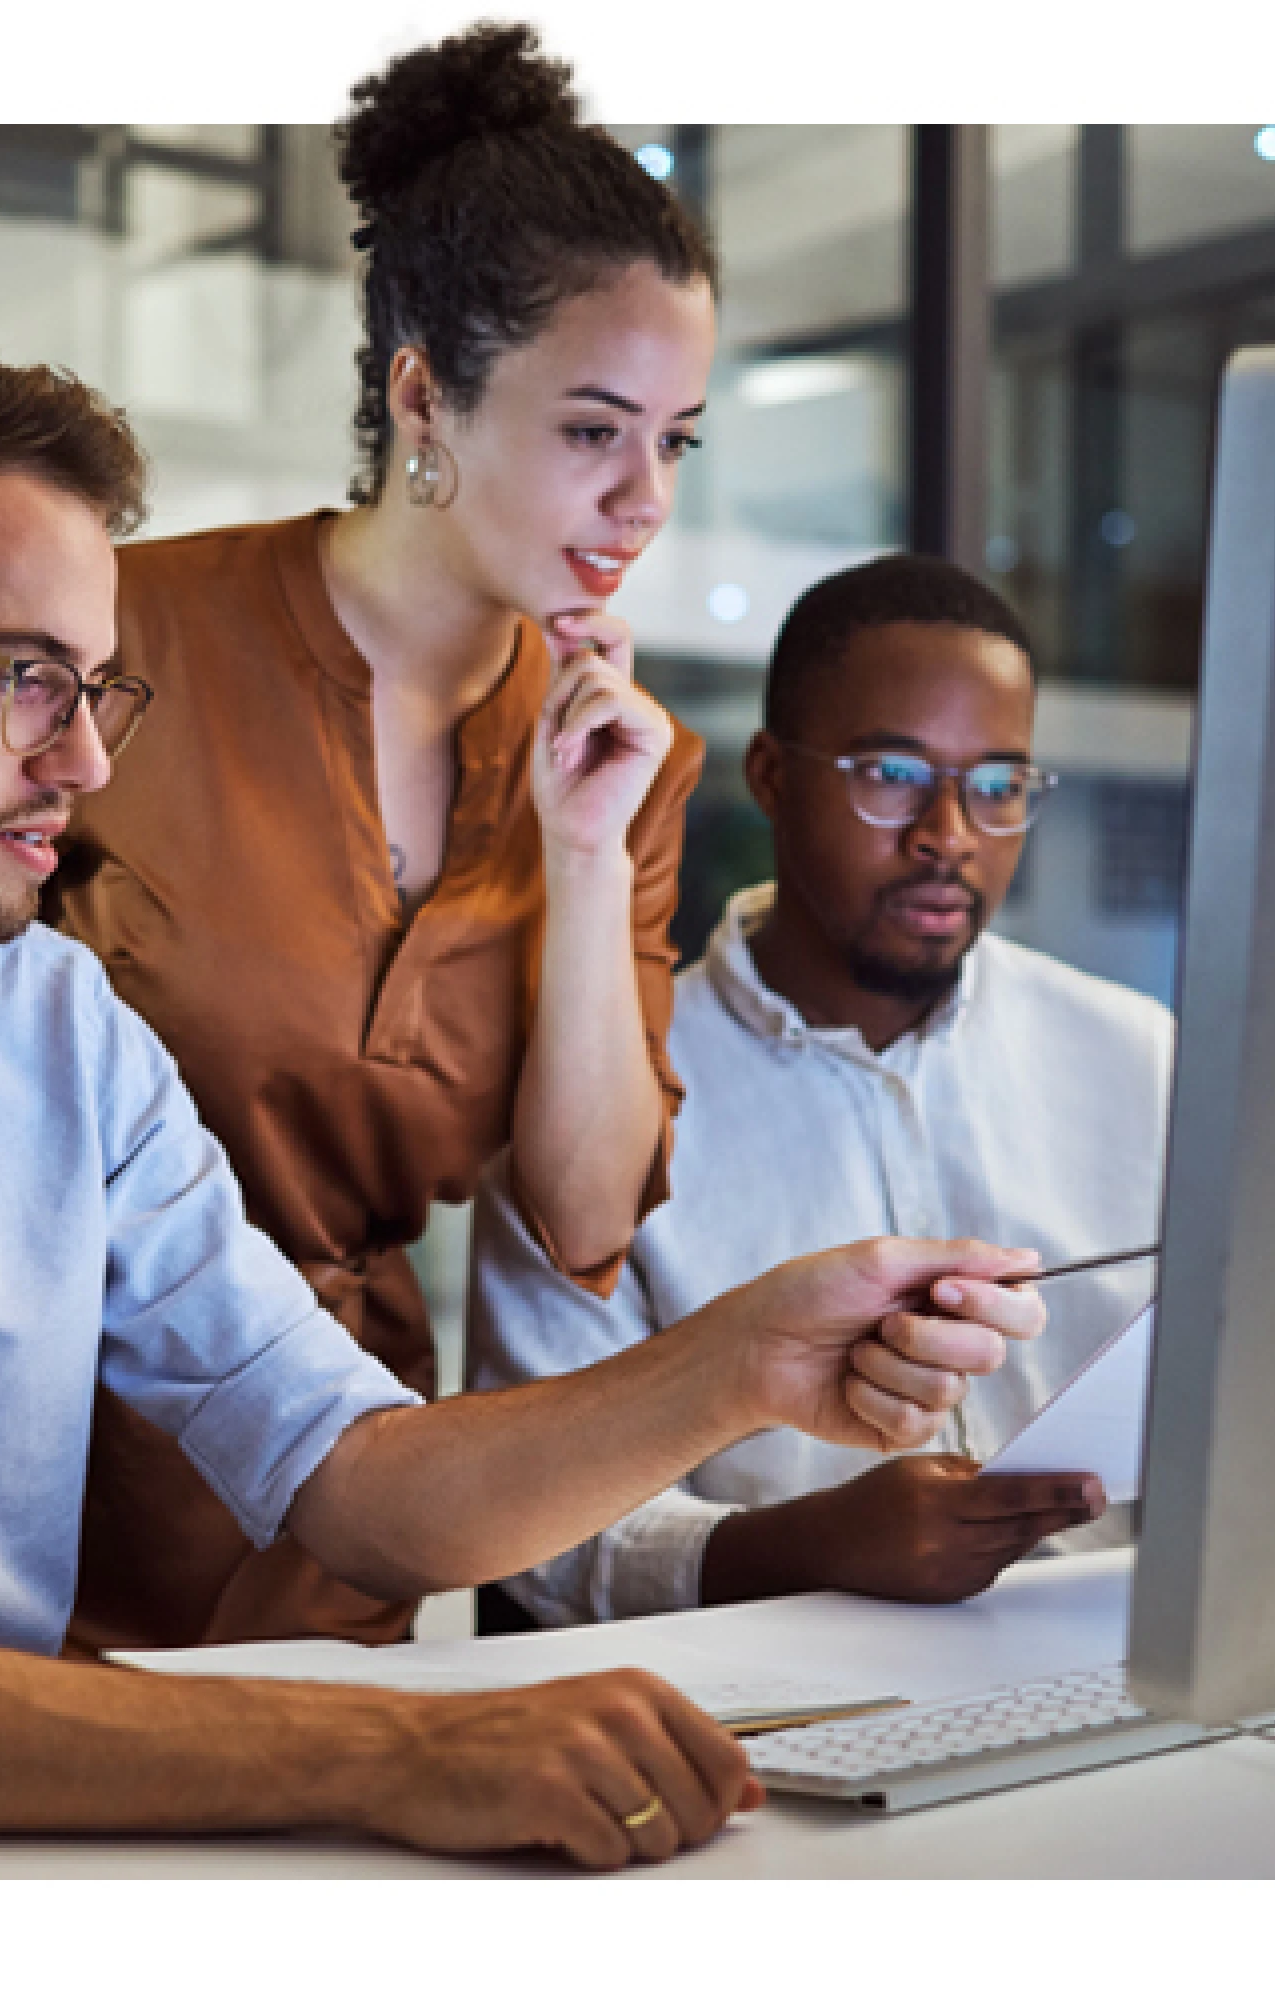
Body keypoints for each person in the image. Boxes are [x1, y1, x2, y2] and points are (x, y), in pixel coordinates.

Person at [0, 339, 1053, 1865]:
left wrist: (746, 1360)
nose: (81, 759)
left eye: (93, 688)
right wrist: (387, 1742)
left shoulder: (60, 1026)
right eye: (19, 678)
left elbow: (357, 1476)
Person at [42, 21, 722, 1653]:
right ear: (424, 391)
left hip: (354, 1504)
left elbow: (578, 1219)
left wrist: (576, 847)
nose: (645, 502)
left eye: (675, 440)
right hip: (38, 1473)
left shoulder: (623, 763)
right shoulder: (123, 629)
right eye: (591, 429)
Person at [468, 554, 1175, 1626]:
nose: (948, 833)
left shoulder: (1135, 1057)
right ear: (769, 776)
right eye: (890, 774)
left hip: (1115, 1659)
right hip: (770, 1704)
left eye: (996, 786)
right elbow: (527, 1530)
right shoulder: (597, 1099)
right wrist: (804, 1545)